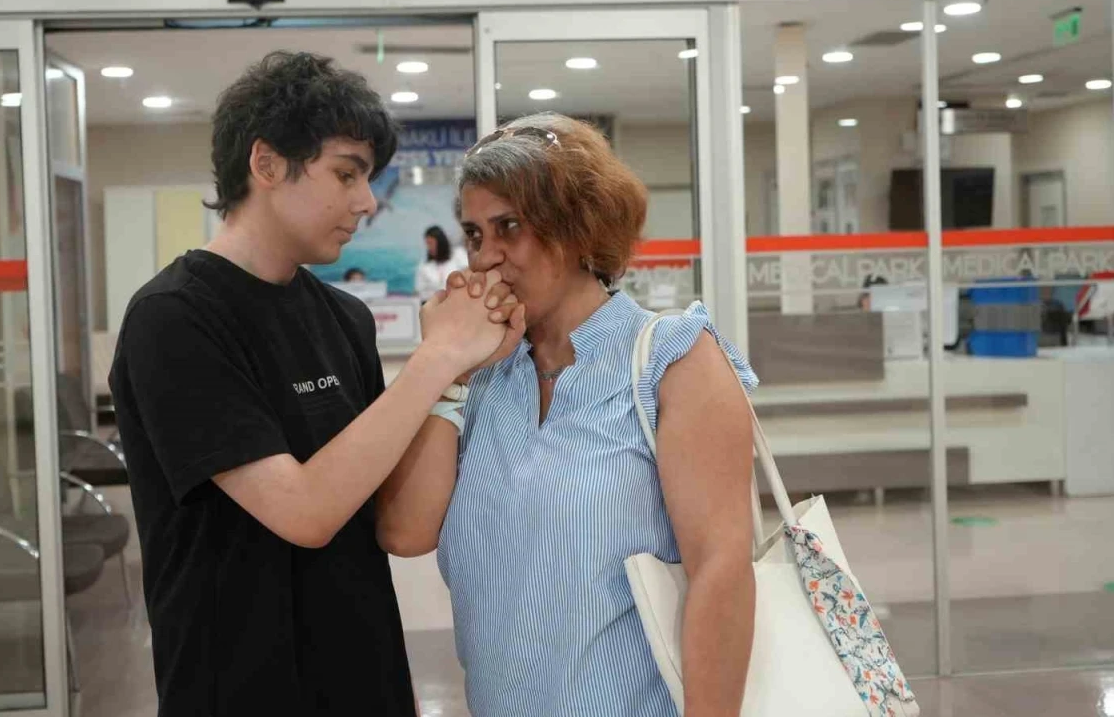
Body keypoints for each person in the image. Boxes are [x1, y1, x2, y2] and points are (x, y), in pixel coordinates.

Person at [108, 51, 521, 717]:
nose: (366, 201)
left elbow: (387, 515)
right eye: (346, 174)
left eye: (368, 179)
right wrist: (437, 357)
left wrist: (456, 379)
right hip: (238, 688)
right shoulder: (175, 318)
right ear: (267, 164)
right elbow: (305, 513)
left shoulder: (344, 318)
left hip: (366, 678)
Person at [376, 113, 758, 717]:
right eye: (474, 234)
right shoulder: (484, 376)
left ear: (579, 228)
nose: (487, 258)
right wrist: (447, 367)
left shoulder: (672, 358)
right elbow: (406, 533)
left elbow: (722, 569)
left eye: (510, 227)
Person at [413, 224, 466, 298]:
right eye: (427, 244)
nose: (429, 247)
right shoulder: (424, 265)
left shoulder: (458, 255)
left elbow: (468, 276)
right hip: (434, 301)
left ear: (440, 242)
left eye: (431, 243)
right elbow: (419, 289)